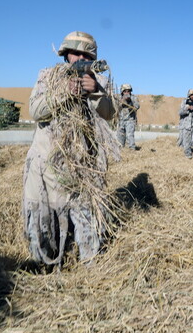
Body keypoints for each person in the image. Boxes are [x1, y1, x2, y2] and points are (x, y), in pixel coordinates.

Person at [22, 31, 118, 265]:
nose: (79, 58)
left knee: (87, 217)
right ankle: (45, 266)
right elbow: (35, 111)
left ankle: (90, 266)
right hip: (47, 163)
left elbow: (111, 114)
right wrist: (65, 92)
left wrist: (95, 91)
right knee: (44, 217)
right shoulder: (48, 76)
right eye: (75, 53)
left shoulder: (101, 81)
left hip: (84, 167)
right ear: (66, 54)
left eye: (85, 54)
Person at [116, 83, 140, 150]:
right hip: (121, 120)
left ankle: (132, 150)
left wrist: (129, 102)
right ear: (122, 91)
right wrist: (122, 102)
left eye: (128, 91)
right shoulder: (119, 98)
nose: (127, 92)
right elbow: (116, 107)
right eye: (125, 91)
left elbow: (137, 106)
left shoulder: (134, 98)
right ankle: (121, 150)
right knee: (120, 137)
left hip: (130, 120)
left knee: (130, 136)